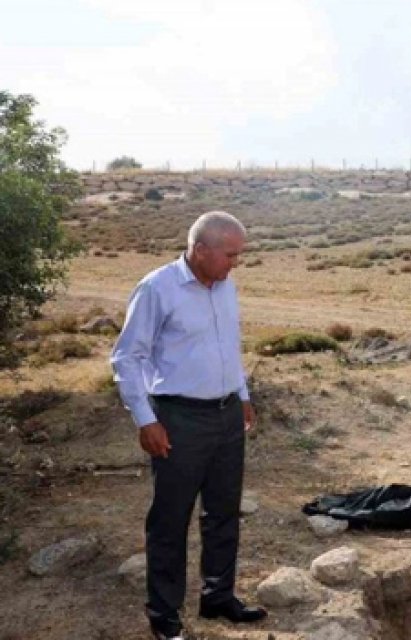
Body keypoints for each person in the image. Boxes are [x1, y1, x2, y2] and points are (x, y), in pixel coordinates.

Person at [110, 212, 267, 640]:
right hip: (179, 417)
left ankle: (218, 596)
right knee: (170, 519)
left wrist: (243, 394)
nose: (236, 263)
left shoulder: (225, 285)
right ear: (201, 250)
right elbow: (127, 358)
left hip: (227, 415)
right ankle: (165, 617)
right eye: (230, 254)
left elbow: (227, 345)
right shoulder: (157, 288)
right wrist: (147, 419)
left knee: (223, 513)